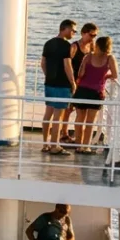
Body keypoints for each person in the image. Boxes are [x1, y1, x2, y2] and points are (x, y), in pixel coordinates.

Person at [71, 35, 119, 154]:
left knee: (79, 119)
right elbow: (115, 75)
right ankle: (86, 147)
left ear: (97, 45)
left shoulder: (88, 56)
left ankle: (78, 144)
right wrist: (105, 76)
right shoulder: (109, 58)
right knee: (90, 122)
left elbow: (81, 74)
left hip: (82, 90)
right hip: (96, 92)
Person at [40, 19, 78, 155]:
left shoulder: (48, 43)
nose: (74, 33)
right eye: (73, 30)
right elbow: (67, 66)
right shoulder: (66, 46)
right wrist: (73, 83)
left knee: (48, 114)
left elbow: (43, 63)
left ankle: (45, 144)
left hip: (49, 83)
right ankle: (55, 146)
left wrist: (48, 76)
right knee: (58, 116)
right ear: (65, 29)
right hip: (62, 85)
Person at [63, 23, 99, 141]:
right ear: (83, 33)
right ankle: (64, 133)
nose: (93, 38)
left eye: (95, 36)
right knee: (68, 109)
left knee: (78, 110)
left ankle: (74, 135)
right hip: (72, 81)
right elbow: (67, 64)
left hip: (84, 83)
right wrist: (71, 81)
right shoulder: (74, 47)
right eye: (91, 35)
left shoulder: (92, 47)